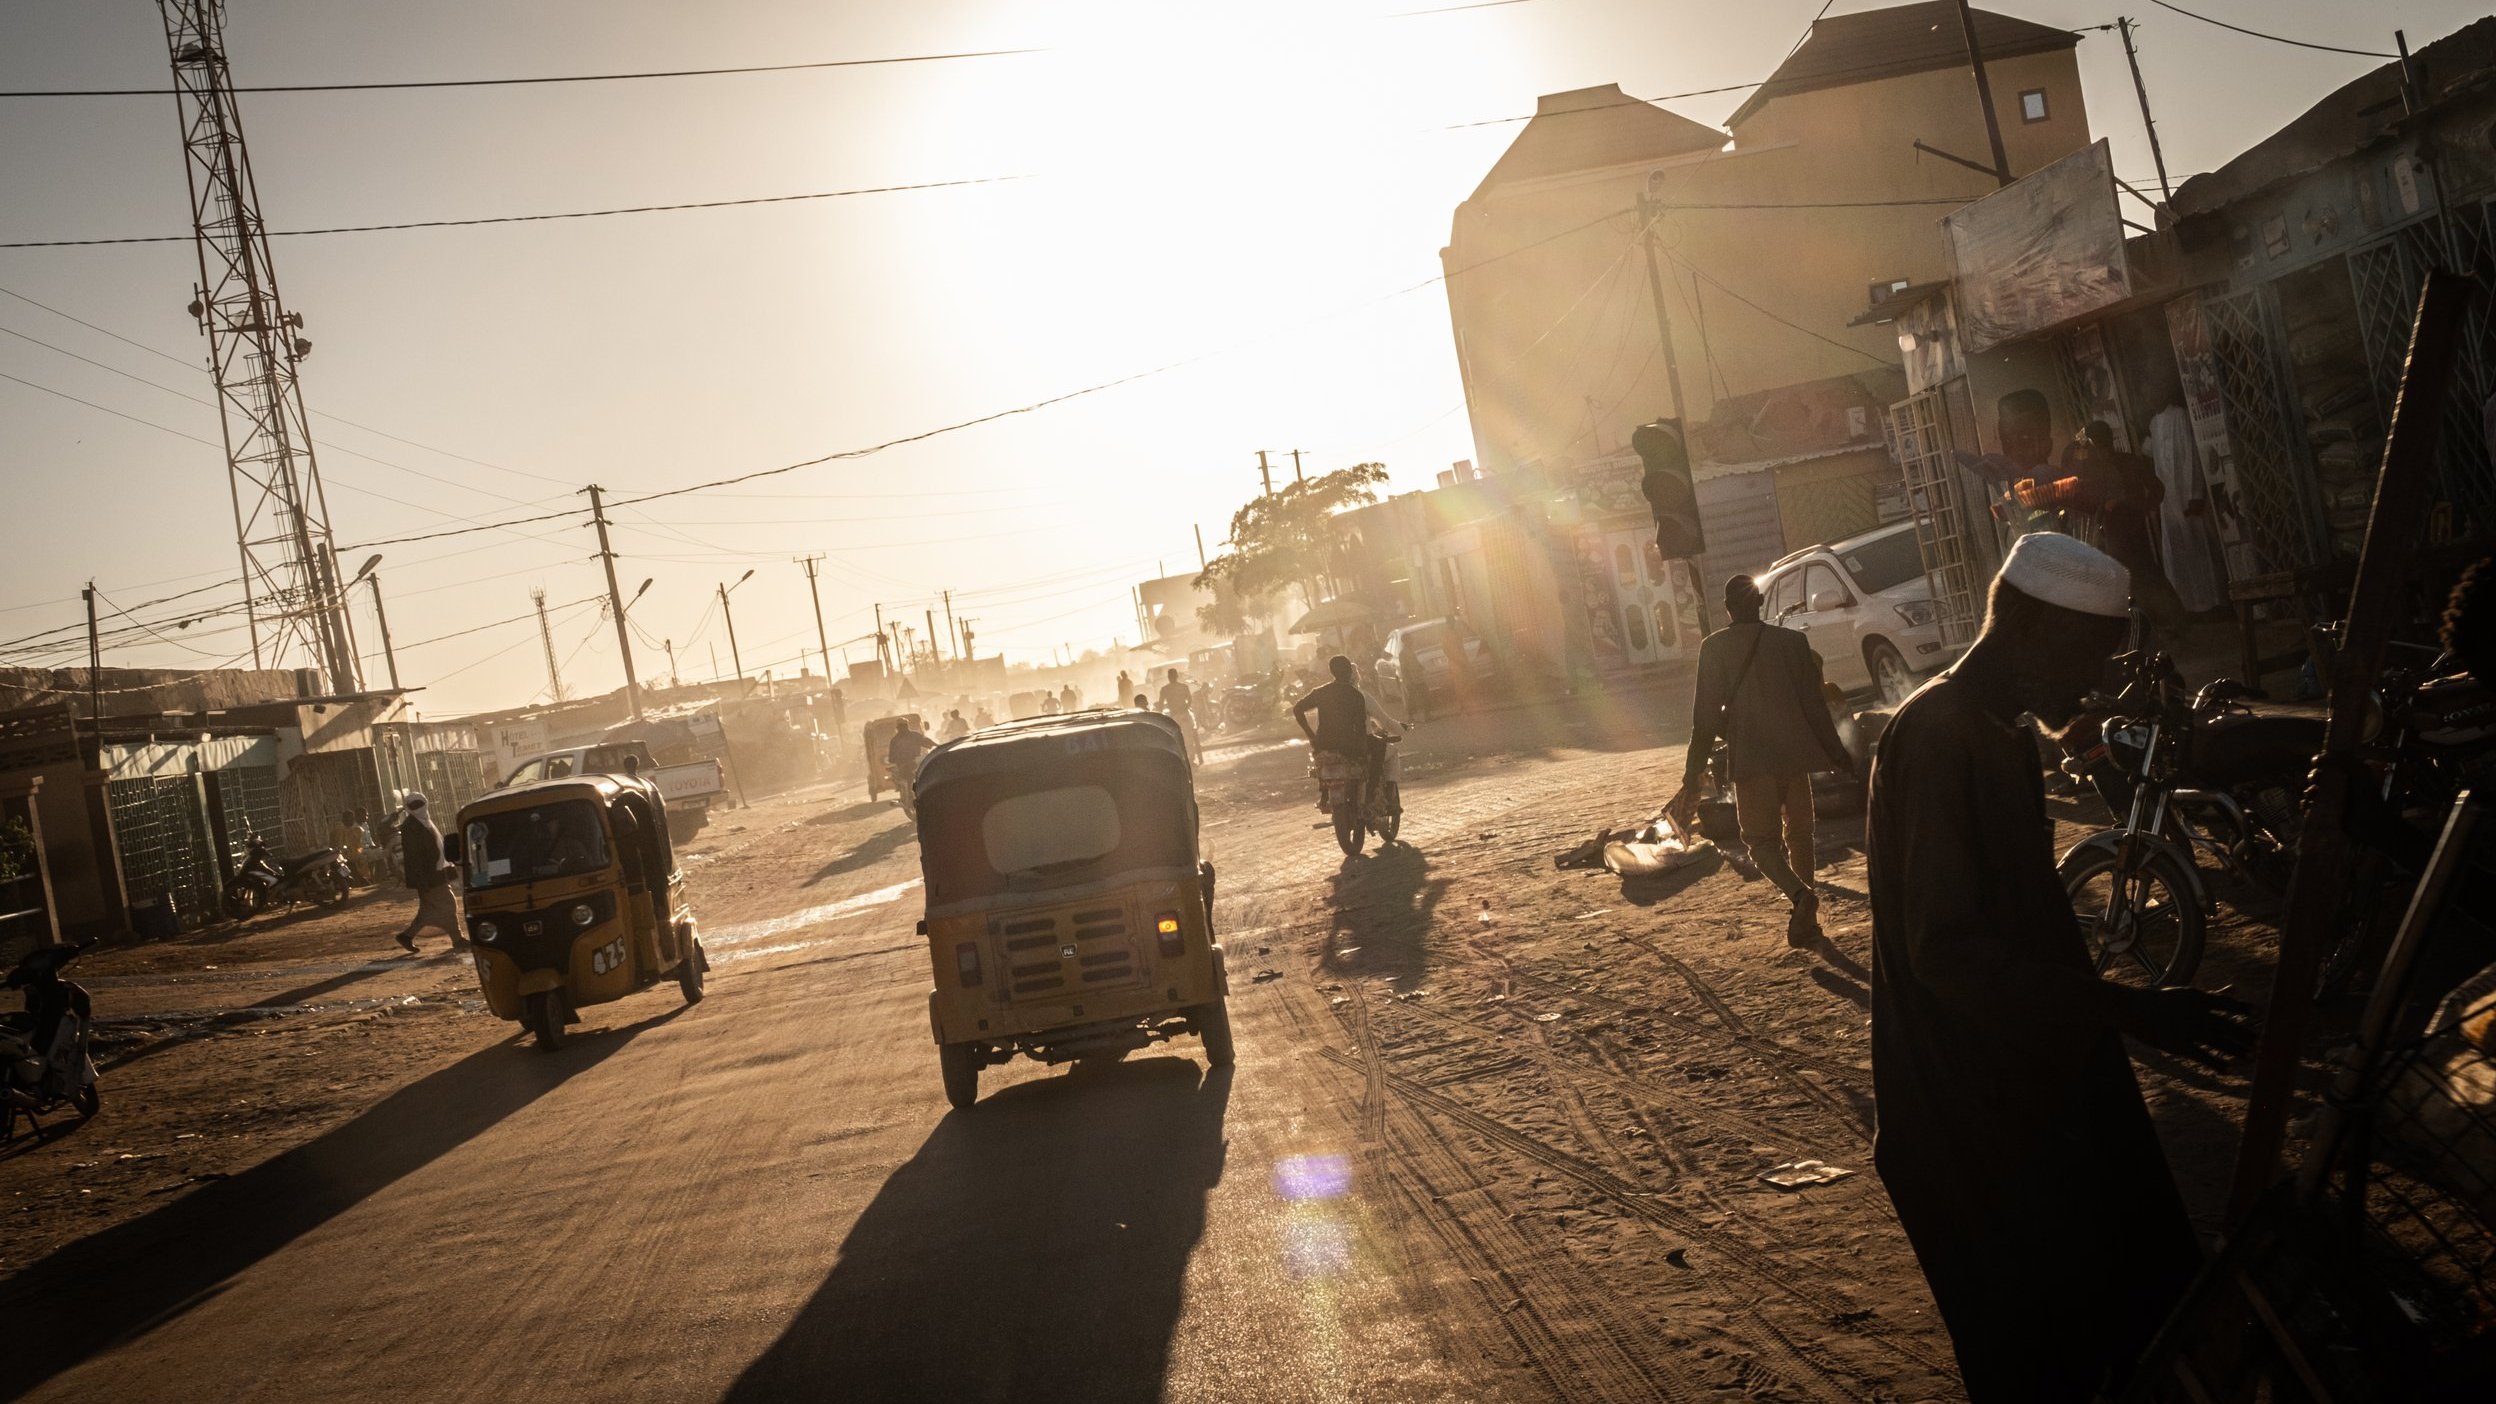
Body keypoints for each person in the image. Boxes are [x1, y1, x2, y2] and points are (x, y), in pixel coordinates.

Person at [1865, 532, 2257, 1402]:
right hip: (1967, 1122)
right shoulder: (1938, 736)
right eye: (2087, 660)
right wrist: (2135, 1010)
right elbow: (1949, 951)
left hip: (2020, 1098)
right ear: (2032, 630)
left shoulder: (1998, 734)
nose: (2094, 687)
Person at [1667, 575, 1852, 944]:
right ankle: (1807, 921)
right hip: (1794, 756)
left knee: (1760, 843)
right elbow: (1815, 706)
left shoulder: (1714, 648)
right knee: (1801, 835)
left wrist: (1692, 772)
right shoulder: (1793, 642)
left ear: (1728, 608)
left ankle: (1801, 897)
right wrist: (1838, 754)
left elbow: (1703, 720)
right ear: (1761, 603)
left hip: (1752, 760)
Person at [1290, 655, 1370, 808]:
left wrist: (1310, 735)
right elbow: (1361, 728)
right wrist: (1363, 751)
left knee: (1323, 764)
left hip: (1324, 744)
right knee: (1362, 769)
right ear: (1349, 671)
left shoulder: (1321, 692)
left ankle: (1325, 794)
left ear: (1331, 671)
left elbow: (1297, 709)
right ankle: (1362, 801)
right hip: (1349, 745)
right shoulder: (1356, 696)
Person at [394, 793, 460, 953]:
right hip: (428, 876)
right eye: (413, 805)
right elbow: (413, 857)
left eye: (419, 804)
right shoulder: (411, 827)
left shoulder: (424, 821)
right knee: (448, 904)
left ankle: (406, 936)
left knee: (427, 912)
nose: (418, 808)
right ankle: (458, 940)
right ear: (409, 808)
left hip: (435, 872)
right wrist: (421, 880)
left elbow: (438, 848)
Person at [1158, 668, 1203, 763]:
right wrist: (1185, 708)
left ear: (1169, 677)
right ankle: (1191, 759)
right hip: (1183, 714)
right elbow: (1190, 700)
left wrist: (1160, 716)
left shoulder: (1165, 689)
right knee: (1188, 738)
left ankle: (1183, 759)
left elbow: (1160, 704)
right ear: (1176, 676)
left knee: (1177, 739)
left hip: (1174, 716)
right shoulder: (1183, 687)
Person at [329, 809, 369, 885]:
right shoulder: (339, 829)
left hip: (348, 853)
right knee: (354, 863)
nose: (353, 821)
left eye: (353, 819)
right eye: (351, 819)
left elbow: (356, 844)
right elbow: (340, 846)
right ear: (345, 819)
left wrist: (359, 852)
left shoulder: (350, 829)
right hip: (338, 856)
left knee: (361, 858)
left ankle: (363, 879)